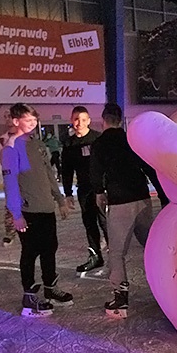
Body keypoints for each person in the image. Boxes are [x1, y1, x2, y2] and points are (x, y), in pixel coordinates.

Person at [0, 103, 73, 317]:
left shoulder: (38, 145)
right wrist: (16, 214)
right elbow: (10, 183)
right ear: (15, 121)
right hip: (28, 211)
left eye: (34, 120)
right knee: (30, 252)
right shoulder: (11, 149)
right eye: (28, 120)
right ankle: (29, 299)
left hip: (46, 209)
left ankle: (51, 289)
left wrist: (59, 200)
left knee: (50, 248)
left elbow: (49, 174)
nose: (33, 123)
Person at [90, 103, 161, 319]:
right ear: (120, 120)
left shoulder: (100, 143)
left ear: (103, 119)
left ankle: (120, 299)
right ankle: (168, 288)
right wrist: (163, 194)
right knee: (151, 246)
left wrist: (98, 192)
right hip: (142, 200)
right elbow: (149, 167)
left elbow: (95, 171)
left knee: (117, 252)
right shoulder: (131, 140)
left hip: (120, 202)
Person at [62, 106, 108, 273]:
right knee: (89, 223)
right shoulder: (69, 144)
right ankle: (95, 256)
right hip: (84, 190)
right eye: (76, 119)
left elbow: (107, 165)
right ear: (71, 121)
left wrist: (104, 188)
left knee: (105, 222)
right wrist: (68, 194)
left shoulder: (98, 139)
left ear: (89, 121)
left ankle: (115, 257)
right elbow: (66, 170)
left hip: (101, 189)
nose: (79, 123)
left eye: (82, 119)